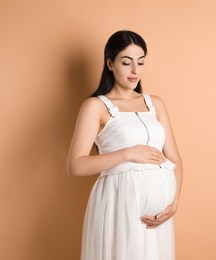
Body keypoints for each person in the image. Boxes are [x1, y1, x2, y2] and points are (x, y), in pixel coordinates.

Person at [67, 30, 183, 260]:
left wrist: (174, 201)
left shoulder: (155, 104)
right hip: (118, 206)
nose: (135, 71)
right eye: (126, 62)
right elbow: (75, 166)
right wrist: (128, 153)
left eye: (140, 62)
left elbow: (175, 160)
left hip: (158, 218)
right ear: (110, 63)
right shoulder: (95, 107)